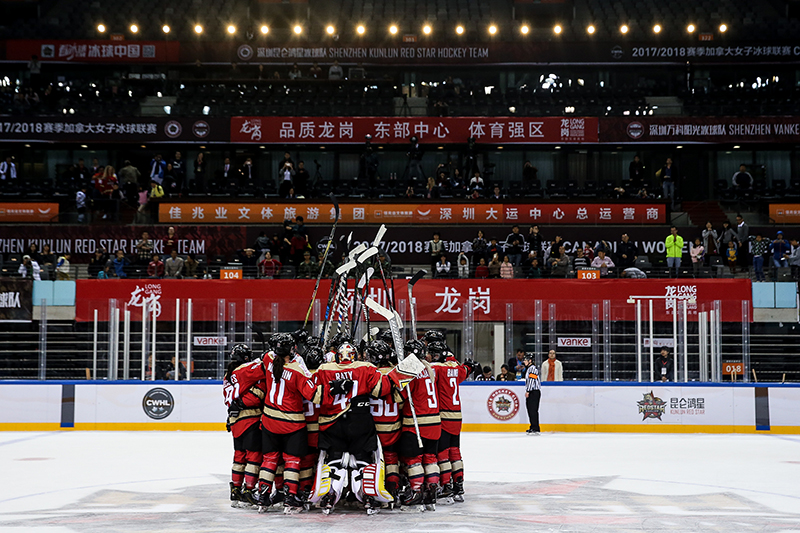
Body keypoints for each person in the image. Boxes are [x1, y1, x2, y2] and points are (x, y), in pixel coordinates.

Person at [429, 340, 474, 504]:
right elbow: (466, 369)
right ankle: (459, 485)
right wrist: (468, 366)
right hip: (457, 415)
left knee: (442, 452)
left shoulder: (437, 368)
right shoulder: (455, 367)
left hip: (444, 415)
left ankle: (446, 486)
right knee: (455, 451)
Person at [223, 344, 265, 509]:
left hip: (236, 422)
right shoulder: (244, 371)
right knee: (253, 456)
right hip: (250, 419)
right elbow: (256, 395)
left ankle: (236, 489)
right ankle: (249, 490)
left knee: (239, 456)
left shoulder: (228, 375)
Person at [523, 354, 541, 435]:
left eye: (525, 360)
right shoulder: (529, 369)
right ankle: (533, 426)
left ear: (530, 361)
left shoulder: (532, 369)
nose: (524, 361)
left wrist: (528, 391)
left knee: (533, 410)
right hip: (532, 391)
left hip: (534, 392)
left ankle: (535, 427)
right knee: (530, 410)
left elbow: (531, 380)